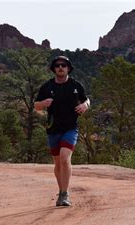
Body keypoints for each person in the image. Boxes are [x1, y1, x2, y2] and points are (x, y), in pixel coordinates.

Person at [34, 56, 90, 207]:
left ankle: (64, 194)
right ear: (53, 69)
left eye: (63, 65)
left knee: (65, 158)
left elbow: (86, 99)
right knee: (58, 163)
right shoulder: (47, 87)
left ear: (68, 68)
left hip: (71, 128)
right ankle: (61, 191)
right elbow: (36, 106)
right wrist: (43, 104)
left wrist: (85, 105)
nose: (60, 67)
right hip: (53, 129)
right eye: (57, 65)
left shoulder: (76, 85)